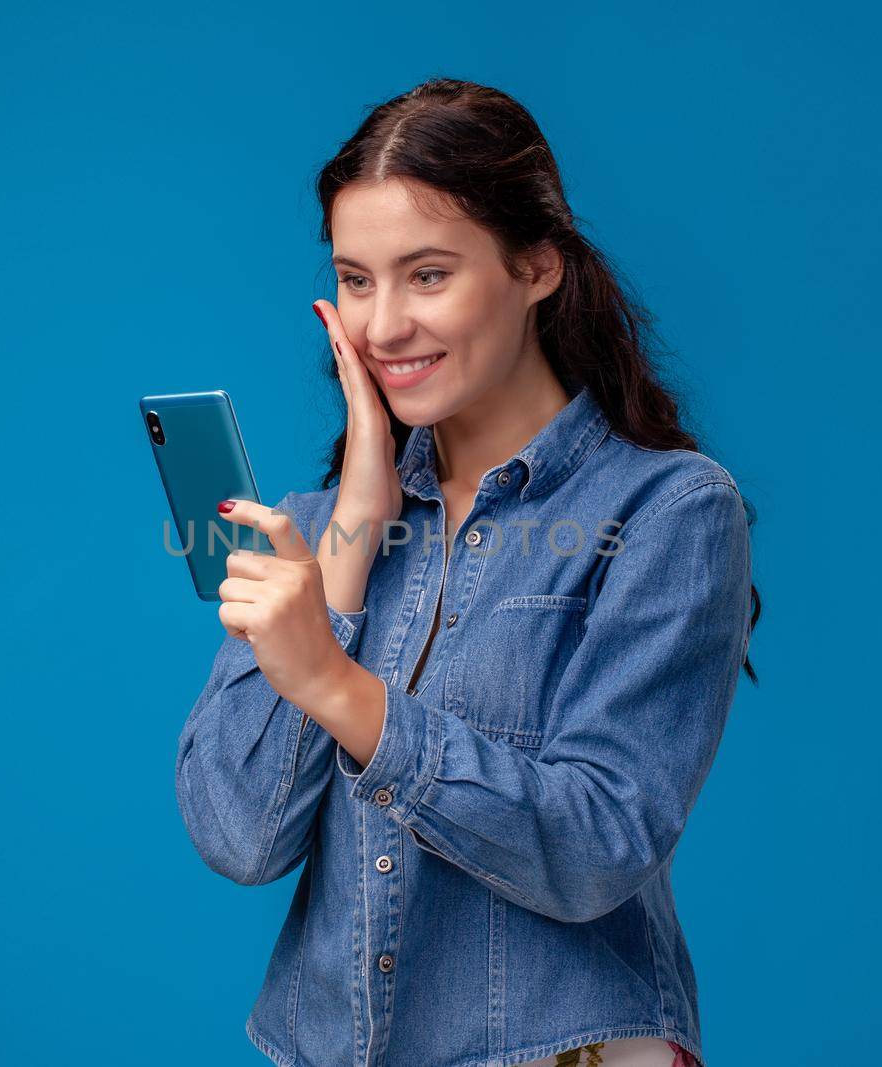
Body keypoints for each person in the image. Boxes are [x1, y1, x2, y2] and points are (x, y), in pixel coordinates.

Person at [174, 77, 760, 1067]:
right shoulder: (317, 531)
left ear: (538, 265)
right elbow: (241, 838)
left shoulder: (666, 510)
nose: (385, 323)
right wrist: (356, 530)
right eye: (355, 280)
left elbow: (595, 846)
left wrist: (333, 682)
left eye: (428, 274)